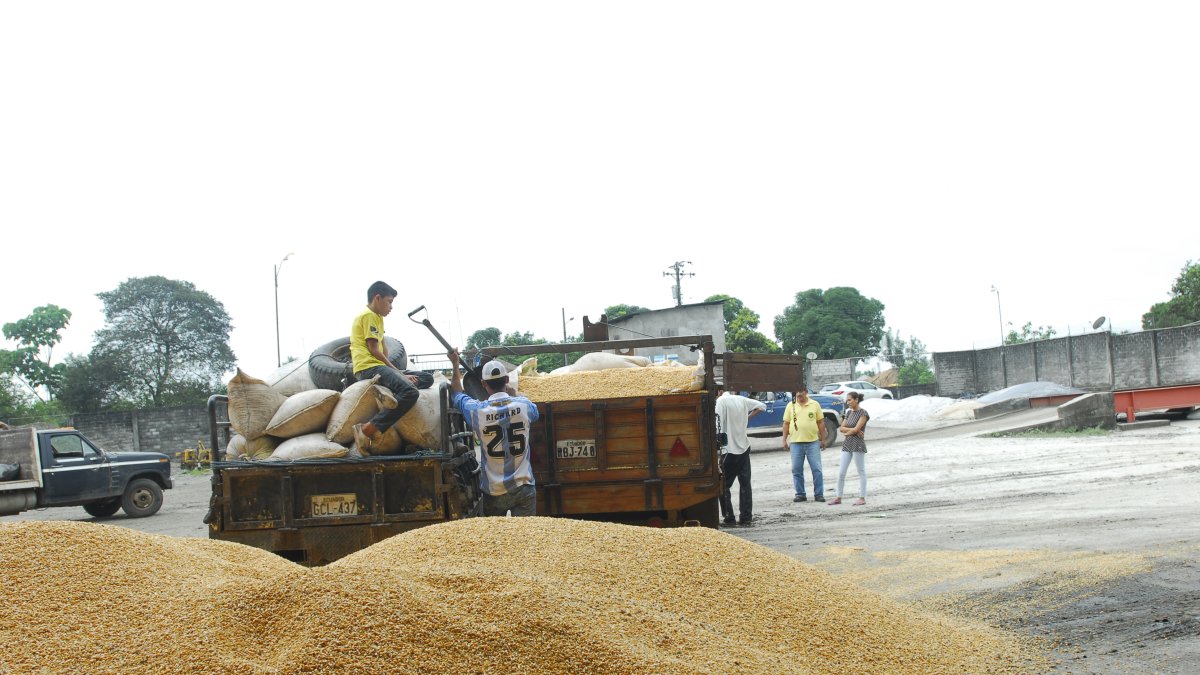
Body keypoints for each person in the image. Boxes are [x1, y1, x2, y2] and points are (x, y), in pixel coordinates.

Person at [447, 348, 541, 517]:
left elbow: (456, 394)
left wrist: (455, 364)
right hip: (524, 487)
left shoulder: (476, 411)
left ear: (483, 384)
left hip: (494, 490)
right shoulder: (524, 406)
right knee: (527, 537)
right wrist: (515, 394)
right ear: (506, 380)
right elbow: (535, 413)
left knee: (495, 540)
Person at [350, 281, 433, 453]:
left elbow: (383, 348)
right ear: (377, 298)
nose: (391, 307)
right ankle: (368, 429)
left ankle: (393, 390)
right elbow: (373, 350)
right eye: (389, 301)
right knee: (411, 393)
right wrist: (399, 374)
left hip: (379, 366)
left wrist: (399, 374)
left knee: (427, 378)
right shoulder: (368, 315)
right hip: (368, 367)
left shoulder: (378, 318)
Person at [715, 387, 766, 526]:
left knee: (723, 486)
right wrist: (747, 418)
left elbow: (716, 423)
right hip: (744, 448)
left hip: (729, 450)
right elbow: (762, 406)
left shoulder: (720, 401)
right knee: (745, 484)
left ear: (719, 392)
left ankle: (729, 517)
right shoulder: (742, 400)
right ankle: (746, 517)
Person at [782, 387, 827, 502]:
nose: (798, 394)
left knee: (817, 469)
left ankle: (819, 494)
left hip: (812, 442)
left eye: (800, 392)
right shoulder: (790, 405)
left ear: (806, 392)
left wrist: (823, 439)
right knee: (796, 469)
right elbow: (786, 424)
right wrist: (784, 440)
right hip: (796, 443)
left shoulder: (814, 404)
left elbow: (820, 422)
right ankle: (800, 494)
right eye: (796, 392)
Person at [829, 391, 869, 506]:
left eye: (850, 400)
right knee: (841, 472)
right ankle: (838, 497)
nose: (848, 402)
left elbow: (856, 429)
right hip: (847, 444)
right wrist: (851, 431)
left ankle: (862, 497)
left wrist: (850, 431)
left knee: (861, 471)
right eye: (847, 400)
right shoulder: (848, 412)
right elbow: (841, 428)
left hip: (858, 444)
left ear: (856, 400)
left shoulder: (863, 413)